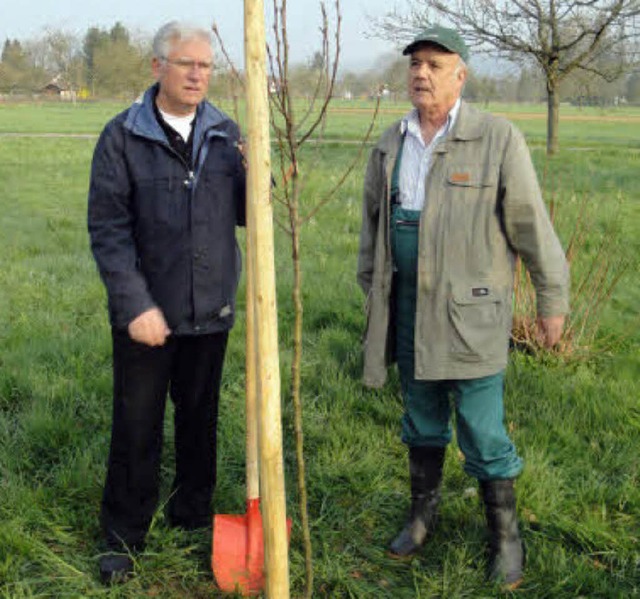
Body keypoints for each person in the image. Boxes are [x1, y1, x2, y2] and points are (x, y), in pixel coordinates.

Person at [357, 25, 569, 589]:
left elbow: (530, 224)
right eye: (414, 65)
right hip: (407, 306)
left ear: (461, 74)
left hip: (471, 316)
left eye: (433, 64)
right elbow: (372, 227)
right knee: (420, 416)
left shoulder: (497, 138)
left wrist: (552, 298)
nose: (420, 74)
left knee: (482, 428)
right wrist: (373, 290)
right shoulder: (391, 141)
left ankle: (505, 537)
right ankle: (422, 515)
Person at [88, 21, 246, 584]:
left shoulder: (227, 133)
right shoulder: (123, 136)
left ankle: (192, 518)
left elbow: (250, 214)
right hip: (146, 316)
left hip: (211, 310)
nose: (198, 74)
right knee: (137, 425)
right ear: (157, 68)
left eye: (205, 65)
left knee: (200, 420)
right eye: (187, 64)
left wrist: (265, 175)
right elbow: (108, 229)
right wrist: (135, 306)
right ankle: (124, 536)